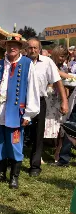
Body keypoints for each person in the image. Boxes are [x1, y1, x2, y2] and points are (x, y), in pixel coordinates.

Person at [0, 33, 40, 189]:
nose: (12, 47)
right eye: (9, 45)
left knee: (15, 143)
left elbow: (32, 90)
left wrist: (29, 114)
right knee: (0, 143)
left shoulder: (27, 64)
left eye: (15, 45)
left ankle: (14, 177)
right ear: (5, 47)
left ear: (20, 48)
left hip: (16, 112)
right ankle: (1, 173)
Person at [26, 38, 68, 176]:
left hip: (40, 101)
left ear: (39, 49)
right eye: (30, 48)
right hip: (22, 103)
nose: (32, 50)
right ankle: (14, 162)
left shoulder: (47, 62)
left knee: (38, 134)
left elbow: (57, 81)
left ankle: (35, 167)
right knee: (20, 133)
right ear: (26, 49)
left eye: (35, 48)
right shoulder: (22, 62)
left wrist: (64, 101)